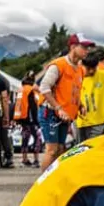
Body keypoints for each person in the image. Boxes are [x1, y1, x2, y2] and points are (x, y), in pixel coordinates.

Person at [39, 34, 89, 171]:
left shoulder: (80, 69)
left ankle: (56, 181)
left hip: (65, 116)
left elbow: (73, 91)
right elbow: (44, 88)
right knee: (52, 150)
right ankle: (42, 185)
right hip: (50, 112)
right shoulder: (58, 65)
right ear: (73, 47)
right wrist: (58, 108)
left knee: (61, 149)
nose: (87, 51)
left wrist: (80, 106)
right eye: (84, 47)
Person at [14, 75, 41, 167]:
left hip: (22, 118)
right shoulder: (30, 90)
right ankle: (36, 160)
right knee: (37, 138)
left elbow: (17, 105)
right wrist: (36, 121)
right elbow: (33, 106)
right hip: (30, 118)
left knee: (25, 138)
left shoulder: (21, 90)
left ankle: (24, 159)